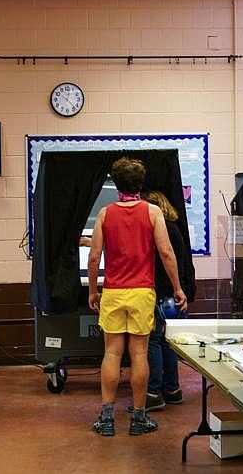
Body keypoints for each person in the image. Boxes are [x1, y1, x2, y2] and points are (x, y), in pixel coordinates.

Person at [87, 158, 186, 437]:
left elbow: (94, 257)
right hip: (142, 292)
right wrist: (178, 288)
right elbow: (166, 253)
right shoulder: (153, 212)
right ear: (141, 183)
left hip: (114, 292)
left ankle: (107, 419)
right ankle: (139, 418)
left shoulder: (106, 214)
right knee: (140, 353)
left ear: (116, 182)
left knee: (111, 353)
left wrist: (93, 290)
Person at [137, 189, 188, 411]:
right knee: (167, 342)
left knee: (153, 341)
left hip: (158, 291)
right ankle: (173, 389)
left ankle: (153, 392)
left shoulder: (158, 229)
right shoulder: (175, 228)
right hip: (173, 295)